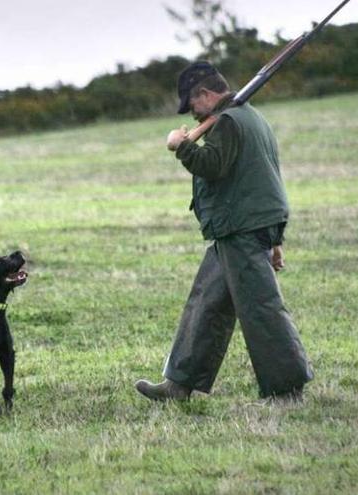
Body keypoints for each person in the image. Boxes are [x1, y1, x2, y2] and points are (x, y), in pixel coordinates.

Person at [135, 61, 313, 402]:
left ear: (204, 94)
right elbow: (262, 178)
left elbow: (212, 166)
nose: (192, 115)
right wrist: (274, 240)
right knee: (206, 302)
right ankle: (179, 384)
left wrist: (181, 146)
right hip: (239, 227)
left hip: (242, 227)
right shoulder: (251, 116)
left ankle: (288, 390)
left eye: (192, 106)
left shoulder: (229, 121)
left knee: (261, 309)